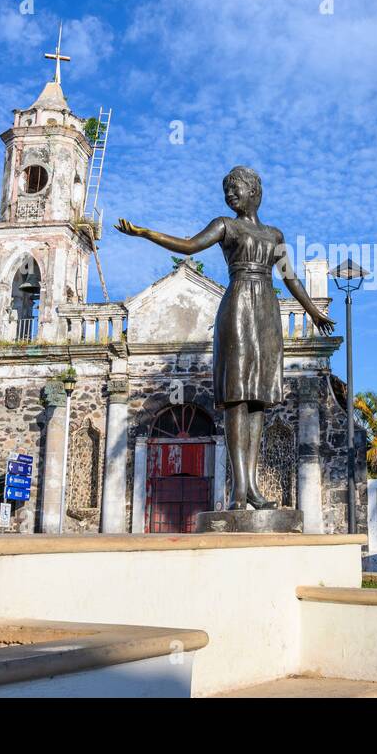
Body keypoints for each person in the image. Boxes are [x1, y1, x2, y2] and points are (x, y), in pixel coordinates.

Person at [117, 167, 334, 509]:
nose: (230, 194)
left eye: (236, 188)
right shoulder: (225, 225)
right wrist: (146, 233)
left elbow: (290, 278)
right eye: (226, 190)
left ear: (254, 192)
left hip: (266, 310)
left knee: (259, 399)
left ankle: (252, 489)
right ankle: (239, 491)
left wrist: (313, 311)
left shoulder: (274, 235)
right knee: (237, 397)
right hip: (237, 308)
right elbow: (188, 246)